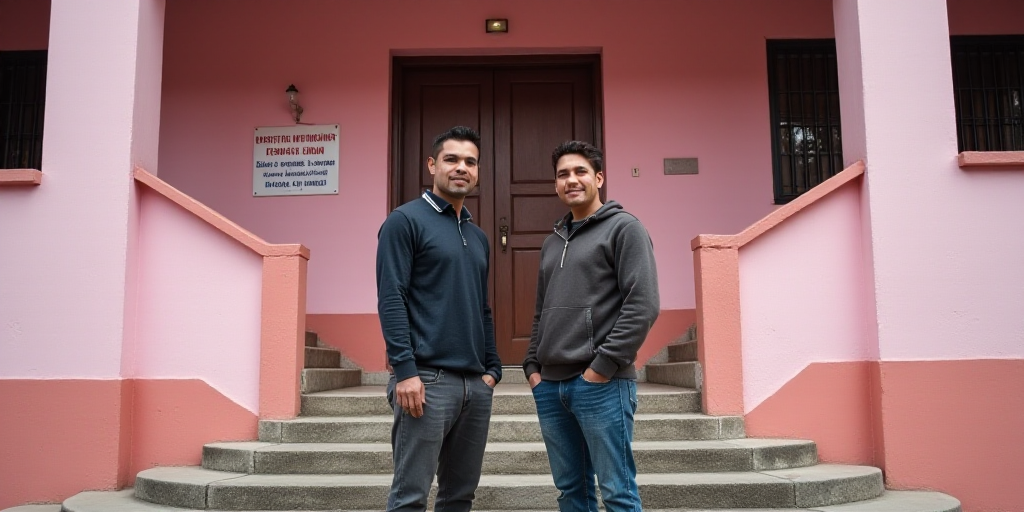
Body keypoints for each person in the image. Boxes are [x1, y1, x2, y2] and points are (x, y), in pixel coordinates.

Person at [523, 140, 660, 512]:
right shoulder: (552, 242)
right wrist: (532, 367)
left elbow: (643, 305)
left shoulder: (625, 229)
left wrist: (601, 368)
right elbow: (541, 311)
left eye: (580, 171)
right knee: (571, 493)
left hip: (602, 384)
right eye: (563, 174)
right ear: (555, 185)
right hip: (550, 387)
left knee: (617, 492)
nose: (572, 180)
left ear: (598, 178)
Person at [376, 125, 502, 512]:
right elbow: (391, 297)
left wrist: (492, 368)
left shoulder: (477, 235)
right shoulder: (405, 221)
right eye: (451, 159)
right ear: (432, 165)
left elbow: (481, 305)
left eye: (470, 161)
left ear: (477, 172)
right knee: (410, 497)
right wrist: (405, 370)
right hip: (425, 382)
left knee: (459, 498)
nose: (461, 167)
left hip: (473, 386)